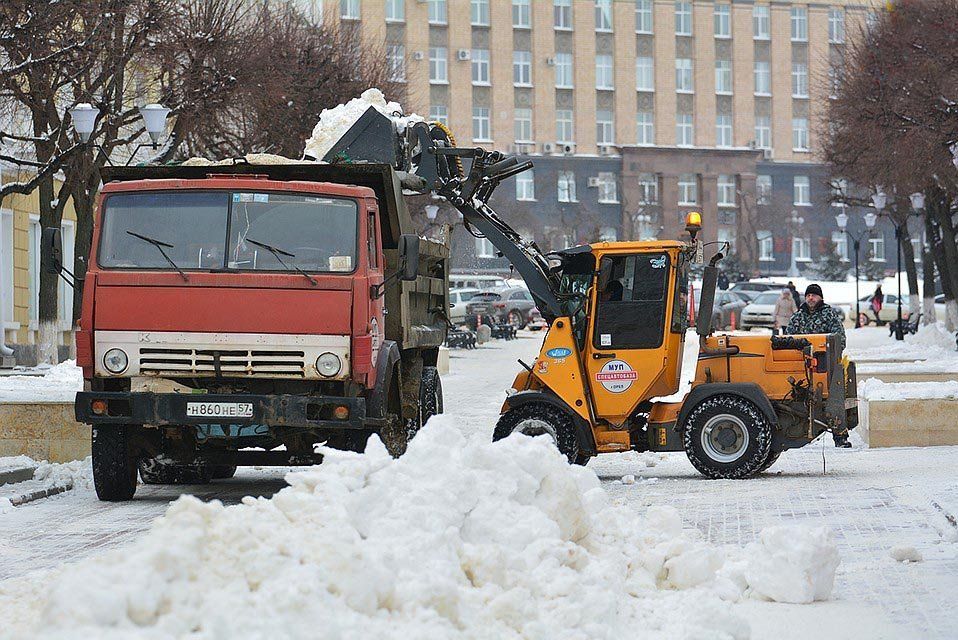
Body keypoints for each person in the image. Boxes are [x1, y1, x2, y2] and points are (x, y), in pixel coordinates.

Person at [786, 283, 850, 447]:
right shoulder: (798, 317)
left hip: (824, 365)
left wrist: (831, 356)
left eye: (814, 295)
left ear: (820, 297)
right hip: (802, 367)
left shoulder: (829, 315)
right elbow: (788, 339)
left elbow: (839, 339)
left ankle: (840, 436)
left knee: (834, 400)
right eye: (808, 295)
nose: (810, 298)